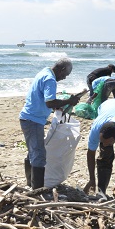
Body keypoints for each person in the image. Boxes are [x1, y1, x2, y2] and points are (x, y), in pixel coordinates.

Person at [19, 58, 83, 189]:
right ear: (62, 69)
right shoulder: (50, 79)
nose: (64, 78)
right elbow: (50, 102)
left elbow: (45, 99)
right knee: (39, 155)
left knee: (33, 151)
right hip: (33, 120)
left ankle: (30, 184)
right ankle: (37, 190)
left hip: (29, 118)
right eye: (65, 75)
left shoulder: (44, 72)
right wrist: (69, 101)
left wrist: (56, 107)